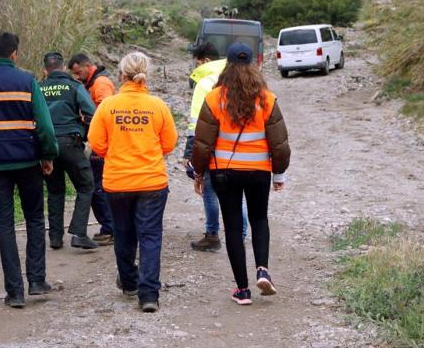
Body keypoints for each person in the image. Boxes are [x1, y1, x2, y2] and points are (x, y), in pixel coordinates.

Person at [0, 32, 58, 308]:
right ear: (14, 54)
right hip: (28, 163)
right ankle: (37, 281)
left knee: (5, 225)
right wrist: (48, 156)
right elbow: (44, 126)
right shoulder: (27, 80)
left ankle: (15, 292)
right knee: (35, 220)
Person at [192, 43, 290, 305]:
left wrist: (199, 173)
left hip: (225, 172)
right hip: (259, 171)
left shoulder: (214, 99)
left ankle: (242, 290)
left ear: (228, 66)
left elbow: (203, 142)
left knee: (233, 227)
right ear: (253, 67)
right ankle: (263, 270)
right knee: (259, 219)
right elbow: (279, 143)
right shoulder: (267, 99)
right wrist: (279, 174)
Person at [88, 52, 178, 313]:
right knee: (150, 236)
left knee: (123, 234)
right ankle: (149, 295)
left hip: (117, 182)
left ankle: (129, 283)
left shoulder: (108, 106)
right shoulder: (157, 106)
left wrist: (116, 152)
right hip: (151, 182)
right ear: (145, 75)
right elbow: (169, 144)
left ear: (121, 75)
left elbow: (97, 143)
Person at [182, 42, 248, 252]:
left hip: (214, 147)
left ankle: (212, 235)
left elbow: (197, 122)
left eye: (198, 62)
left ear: (206, 61)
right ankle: (242, 233)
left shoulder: (205, 83)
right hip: (241, 146)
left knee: (210, 191)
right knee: (238, 193)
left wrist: (189, 153)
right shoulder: (241, 79)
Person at [40, 52, 98, 250]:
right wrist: (86, 134)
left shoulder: (38, 88)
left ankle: (55, 238)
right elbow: (92, 113)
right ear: (64, 67)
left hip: (47, 146)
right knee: (86, 185)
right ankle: (79, 233)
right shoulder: (74, 86)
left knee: (55, 190)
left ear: (45, 70)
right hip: (70, 143)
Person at [68, 53, 116, 245]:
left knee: (97, 187)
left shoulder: (101, 84)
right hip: (98, 143)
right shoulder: (91, 84)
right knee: (96, 186)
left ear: (88, 65)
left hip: (101, 145)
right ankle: (109, 227)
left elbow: (106, 112)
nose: (77, 77)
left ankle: (110, 229)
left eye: (79, 72)